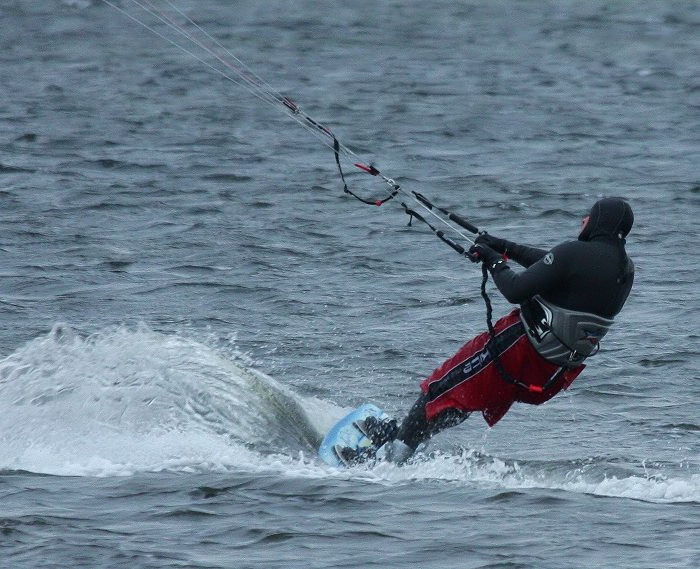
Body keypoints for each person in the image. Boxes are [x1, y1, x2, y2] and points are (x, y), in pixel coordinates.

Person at [337, 197, 635, 466]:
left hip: (518, 348)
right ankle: (406, 442)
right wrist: (501, 247)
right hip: (550, 373)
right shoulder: (623, 269)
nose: (582, 220)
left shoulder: (575, 253)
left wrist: (493, 260)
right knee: (466, 396)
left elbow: (516, 290)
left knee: (439, 388)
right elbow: (547, 263)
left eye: (588, 215)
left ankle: (387, 462)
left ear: (599, 221)